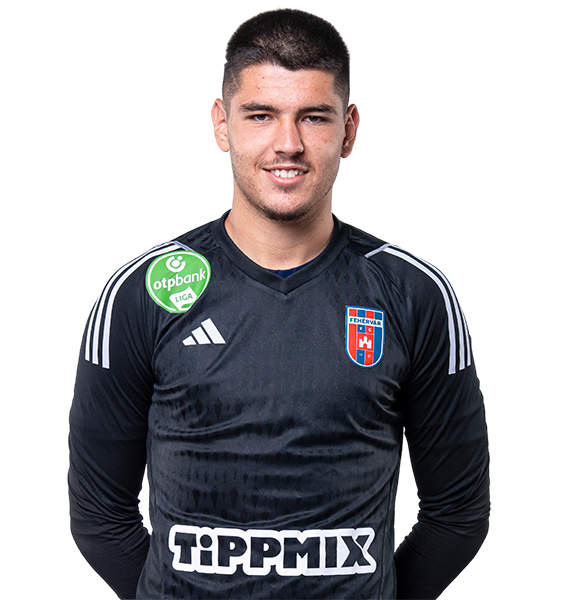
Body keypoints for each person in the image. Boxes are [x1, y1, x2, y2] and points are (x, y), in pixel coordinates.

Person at [68, 8, 490, 600]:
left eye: (313, 117)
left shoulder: (414, 294)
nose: (287, 144)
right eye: (260, 115)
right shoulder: (142, 292)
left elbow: (458, 515)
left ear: (349, 128)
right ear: (222, 124)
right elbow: (98, 514)